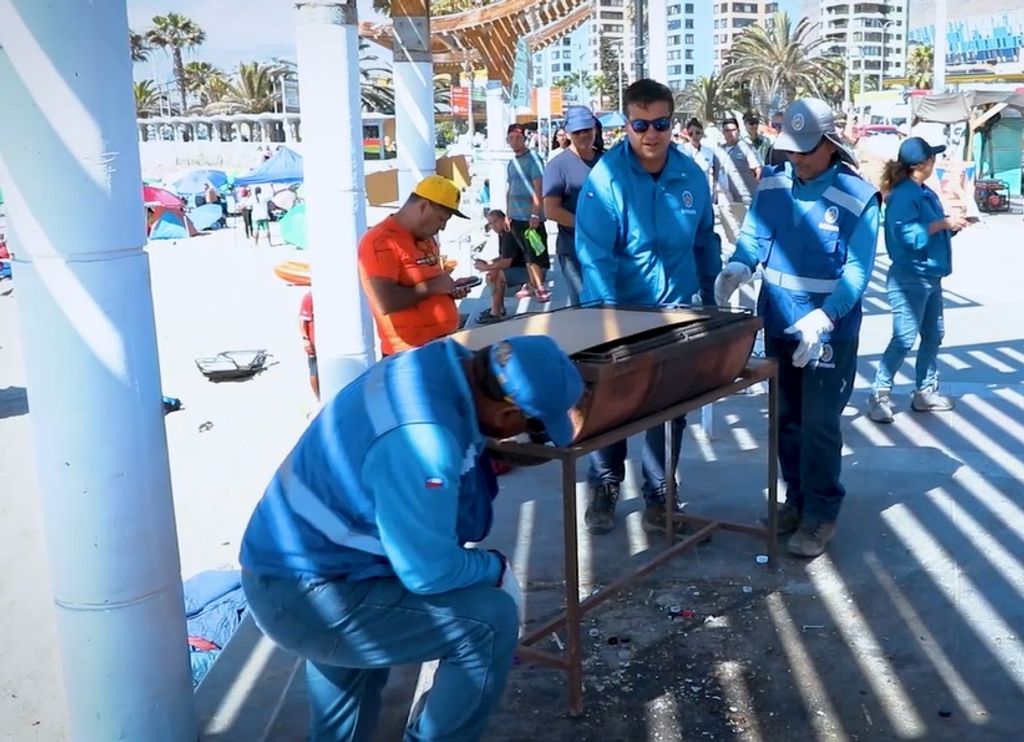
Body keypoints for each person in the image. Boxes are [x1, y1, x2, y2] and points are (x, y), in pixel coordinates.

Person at [239, 334, 584, 741]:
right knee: (488, 624)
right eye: (533, 426)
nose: (524, 436)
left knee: (353, 681)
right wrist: (495, 567)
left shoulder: (433, 363)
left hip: (309, 563)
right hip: (310, 594)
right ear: (508, 411)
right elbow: (431, 572)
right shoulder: (424, 439)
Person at [714, 97, 881, 558]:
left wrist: (825, 318)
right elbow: (753, 237)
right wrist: (739, 267)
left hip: (828, 330)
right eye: (791, 147)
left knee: (819, 424)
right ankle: (797, 498)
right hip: (780, 321)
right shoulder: (773, 183)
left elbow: (856, 273)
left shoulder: (858, 197)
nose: (796, 157)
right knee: (786, 419)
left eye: (806, 149)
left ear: (830, 144)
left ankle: (822, 513)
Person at [575, 79, 722, 535]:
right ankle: (605, 483)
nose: (651, 134)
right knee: (613, 406)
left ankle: (661, 492)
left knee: (669, 405)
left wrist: (712, 298)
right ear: (626, 125)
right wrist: (605, 326)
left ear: (671, 123)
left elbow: (704, 240)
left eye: (660, 123)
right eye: (640, 124)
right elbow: (596, 254)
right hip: (618, 314)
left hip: (676, 313)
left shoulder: (691, 175)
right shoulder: (606, 180)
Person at [868, 137, 968, 424]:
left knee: (934, 335)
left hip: (930, 276)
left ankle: (925, 391)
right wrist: (942, 224)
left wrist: (952, 225)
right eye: (932, 158)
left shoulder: (922, 192)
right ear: (922, 164)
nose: (935, 163)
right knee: (904, 338)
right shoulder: (904, 195)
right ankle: (880, 393)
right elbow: (906, 236)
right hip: (909, 277)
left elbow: (929, 230)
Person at [358, 174, 473, 357]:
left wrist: (449, 289)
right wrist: (433, 287)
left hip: (440, 345)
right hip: (408, 354)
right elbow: (385, 301)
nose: (442, 227)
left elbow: (426, 285)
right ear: (423, 206)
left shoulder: (427, 239)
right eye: (441, 219)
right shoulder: (380, 240)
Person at [542, 105, 602, 306]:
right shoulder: (557, 165)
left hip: (607, 248)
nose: (584, 135)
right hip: (574, 250)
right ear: (568, 133)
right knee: (585, 307)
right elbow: (551, 210)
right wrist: (586, 225)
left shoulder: (607, 160)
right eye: (578, 131)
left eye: (587, 129)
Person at [505, 124, 551, 303]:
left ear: (524, 138)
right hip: (515, 215)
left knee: (536, 253)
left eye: (518, 138)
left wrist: (535, 213)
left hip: (530, 216)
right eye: (511, 138)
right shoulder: (511, 163)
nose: (514, 141)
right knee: (526, 253)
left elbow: (539, 187)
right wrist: (508, 213)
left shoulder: (534, 159)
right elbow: (509, 188)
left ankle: (540, 287)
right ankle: (532, 285)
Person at [473, 209, 531, 324]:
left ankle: (495, 313)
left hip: (530, 271)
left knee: (497, 275)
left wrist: (485, 267)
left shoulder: (509, 234)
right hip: (520, 268)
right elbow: (503, 256)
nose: (493, 225)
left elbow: (506, 263)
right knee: (492, 274)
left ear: (504, 219)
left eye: (495, 221)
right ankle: (499, 308)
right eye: (490, 223)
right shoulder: (503, 233)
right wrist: (489, 263)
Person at [717, 116, 763, 244]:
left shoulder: (746, 148)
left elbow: (758, 170)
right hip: (724, 199)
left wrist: (759, 192)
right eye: (726, 130)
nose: (730, 133)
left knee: (747, 232)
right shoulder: (719, 150)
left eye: (733, 129)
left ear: (738, 130)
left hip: (744, 198)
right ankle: (737, 256)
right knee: (731, 235)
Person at [680, 117, 718, 198]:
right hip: (686, 192)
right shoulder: (681, 151)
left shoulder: (709, 152)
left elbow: (715, 174)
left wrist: (715, 192)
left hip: (704, 192)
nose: (694, 136)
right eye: (691, 133)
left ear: (702, 133)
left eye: (697, 133)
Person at [299, 290, 319, 401]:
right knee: (314, 371)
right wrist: (305, 338)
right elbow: (302, 320)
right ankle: (319, 399)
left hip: (330, 343)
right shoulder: (310, 296)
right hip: (314, 342)